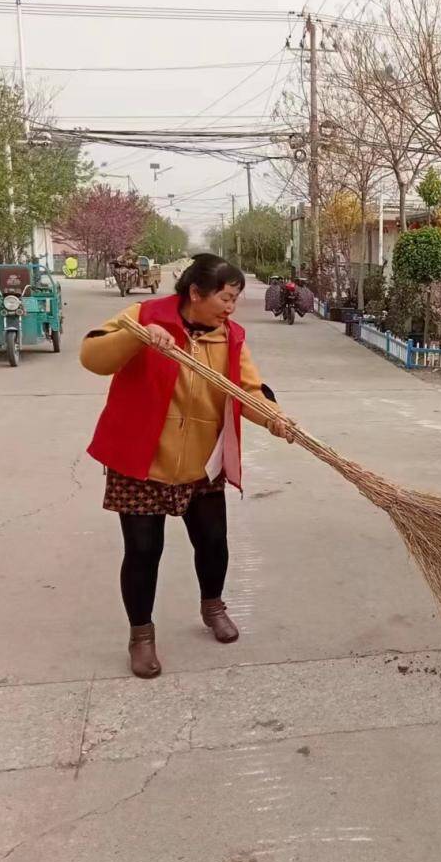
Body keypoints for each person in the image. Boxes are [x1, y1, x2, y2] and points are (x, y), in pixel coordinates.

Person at [81, 253, 291, 678]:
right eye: (225, 298)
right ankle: (141, 636)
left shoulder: (229, 337)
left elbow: (248, 389)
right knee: (143, 551)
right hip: (142, 460)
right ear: (195, 293)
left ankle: (213, 607)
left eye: (235, 299)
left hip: (202, 463)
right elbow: (93, 356)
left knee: (214, 543)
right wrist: (139, 338)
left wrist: (275, 418)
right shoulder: (145, 316)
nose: (230, 309)